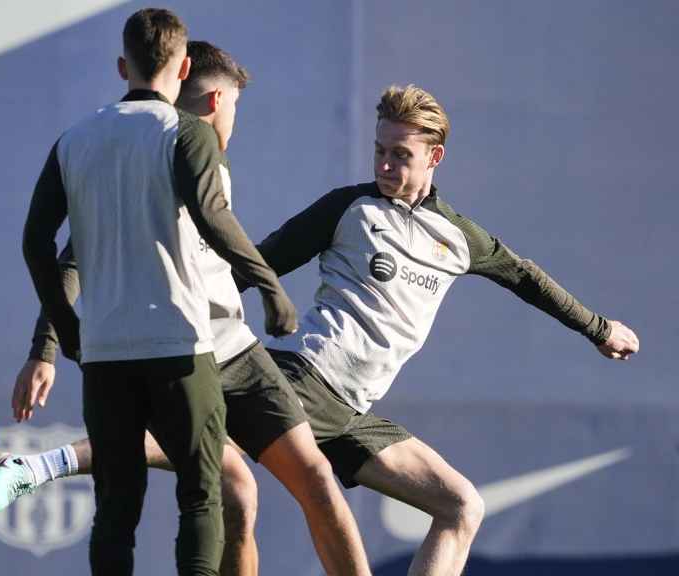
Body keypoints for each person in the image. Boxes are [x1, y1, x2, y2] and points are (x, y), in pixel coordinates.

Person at [0, 41, 371, 576]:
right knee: (212, 493)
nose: (236, 120)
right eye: (236, 107)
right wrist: (45, 349)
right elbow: (69, 257)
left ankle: (43, 465)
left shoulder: (208, 158)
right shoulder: (147, 150)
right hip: (173, 351)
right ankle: (44, 464)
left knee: (306, 478)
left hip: (235, 352)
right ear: (216, 99)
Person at [251, 84, 640, 576]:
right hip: (303, 381)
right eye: (379, 151)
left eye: (400, 154)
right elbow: (259, 263)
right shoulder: (349, 209)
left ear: (435, 156)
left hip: (351, 413)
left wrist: (599, 328)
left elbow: (528, 279)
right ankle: (121, 433)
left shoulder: (458, 237)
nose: (385, 165)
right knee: (193, 444)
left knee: (460, 506)